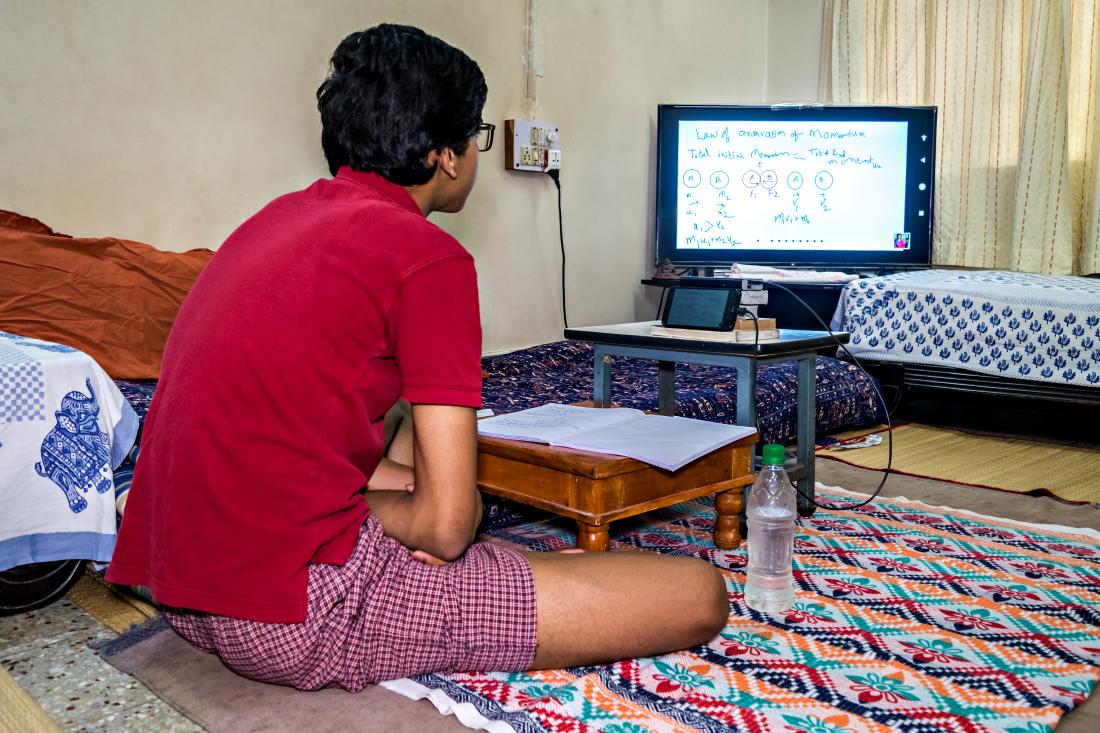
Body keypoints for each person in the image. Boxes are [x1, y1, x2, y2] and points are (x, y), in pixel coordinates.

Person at [106, 23, 727, 692]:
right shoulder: (428, 258)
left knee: (407, 437)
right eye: (478, 137)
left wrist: (390, 500)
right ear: (447, 156)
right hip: (296, 609)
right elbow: (449, 527)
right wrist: (400, 514)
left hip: (179, 584)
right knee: (695, 592)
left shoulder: (273, 219)